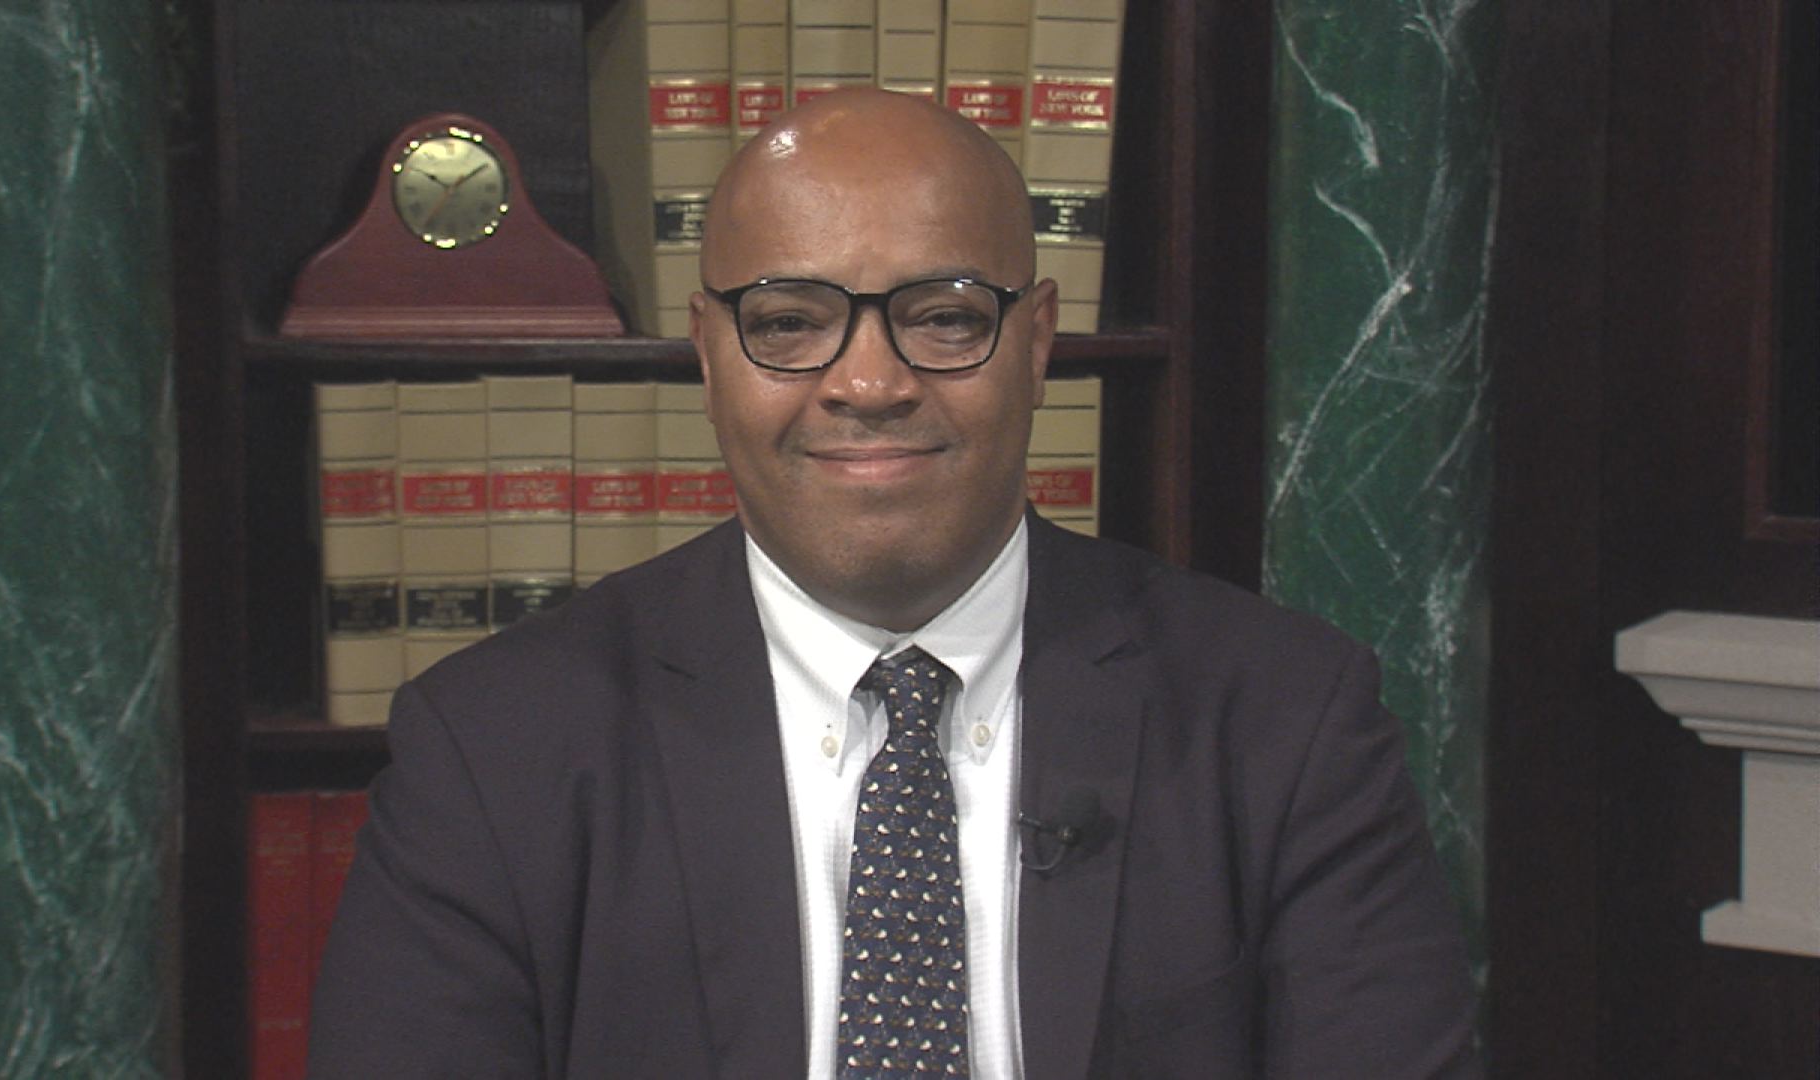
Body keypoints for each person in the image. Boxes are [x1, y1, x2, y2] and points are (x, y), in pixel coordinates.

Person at [309, 88, 1480, 1077]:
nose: (868, 384)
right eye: (788, 322)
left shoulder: (1285, 722)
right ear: (708, 354)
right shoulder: (493, 752)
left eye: (945, 318)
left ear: (1037, 343)